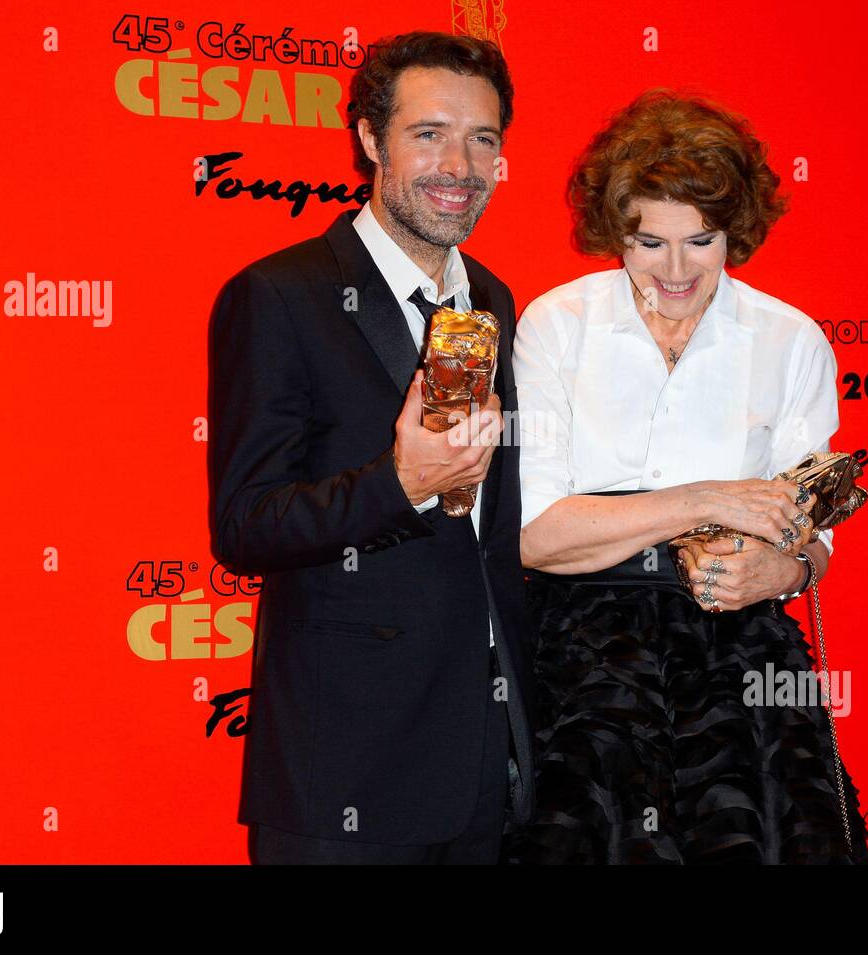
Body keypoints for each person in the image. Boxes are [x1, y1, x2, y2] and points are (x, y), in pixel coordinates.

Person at [504, 89, 868, 864]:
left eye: (700, 241)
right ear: (615, 230)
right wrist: (708, 499)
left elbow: (815, 536)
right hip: (583, 658)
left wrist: (782, 565)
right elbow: (536, 538)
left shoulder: (790, 340)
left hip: (742, 657)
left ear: (734, 231)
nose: (675, 271)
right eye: (647, 243)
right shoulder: (555, 326)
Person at [207, 31, 535, 864]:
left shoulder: (493, 298)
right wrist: (398, 481)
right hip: (344, 771)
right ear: (369, 140)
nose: (459, 164)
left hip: (485, 768)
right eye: (429, 134)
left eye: (483, 138)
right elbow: (246, 525)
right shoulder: (279, 296)